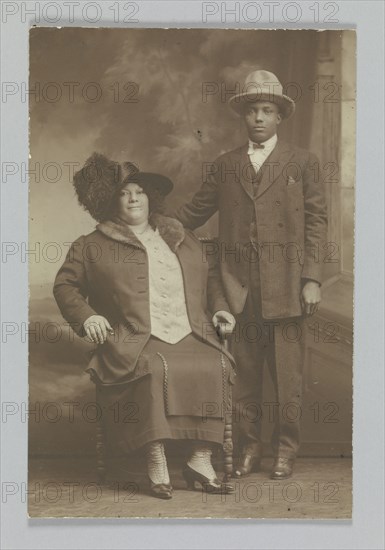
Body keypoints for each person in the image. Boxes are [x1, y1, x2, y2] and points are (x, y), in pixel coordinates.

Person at [53, 153, 237, 499]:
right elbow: (65, 286)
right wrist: (88, 316)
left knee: (216, 362)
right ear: (112, 201)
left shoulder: (183, 237)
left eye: (139, 191)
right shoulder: (91, 246)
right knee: (152, 368)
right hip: (134, 337)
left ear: (151, 197)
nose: (134, 198)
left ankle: (200, 459)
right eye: (124, 193)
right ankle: (156, 459)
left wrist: (221, 310)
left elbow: (210, 279)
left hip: (191, 331)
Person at [175, 70, 328, 479]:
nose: (258, 118)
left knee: (287, 379)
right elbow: (193, 214)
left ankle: (285, 450)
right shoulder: (226, 165)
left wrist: (311, 278)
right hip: (238, 286)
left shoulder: (303, 162)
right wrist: (146, 224)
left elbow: (317, 222)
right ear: (243, 117)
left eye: (267, 111)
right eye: (252, 111)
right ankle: (249, 448)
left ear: (280, 117)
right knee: (243, 378)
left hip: (288, 287)